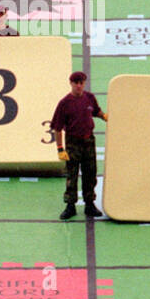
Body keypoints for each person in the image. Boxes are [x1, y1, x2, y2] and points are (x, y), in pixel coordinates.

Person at [52, 71, 107, 220]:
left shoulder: (89, 98)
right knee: (72, 175)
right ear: (71, 83)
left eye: (81, 82)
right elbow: (57, 128)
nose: (78, 85)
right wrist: (60, 149)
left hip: (89, 141)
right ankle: (70, 206)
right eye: (76, 82)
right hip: (73, 142)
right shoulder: (64, 103)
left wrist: (105, 116)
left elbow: (96, 111)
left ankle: (90, 204)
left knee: (90, 173)